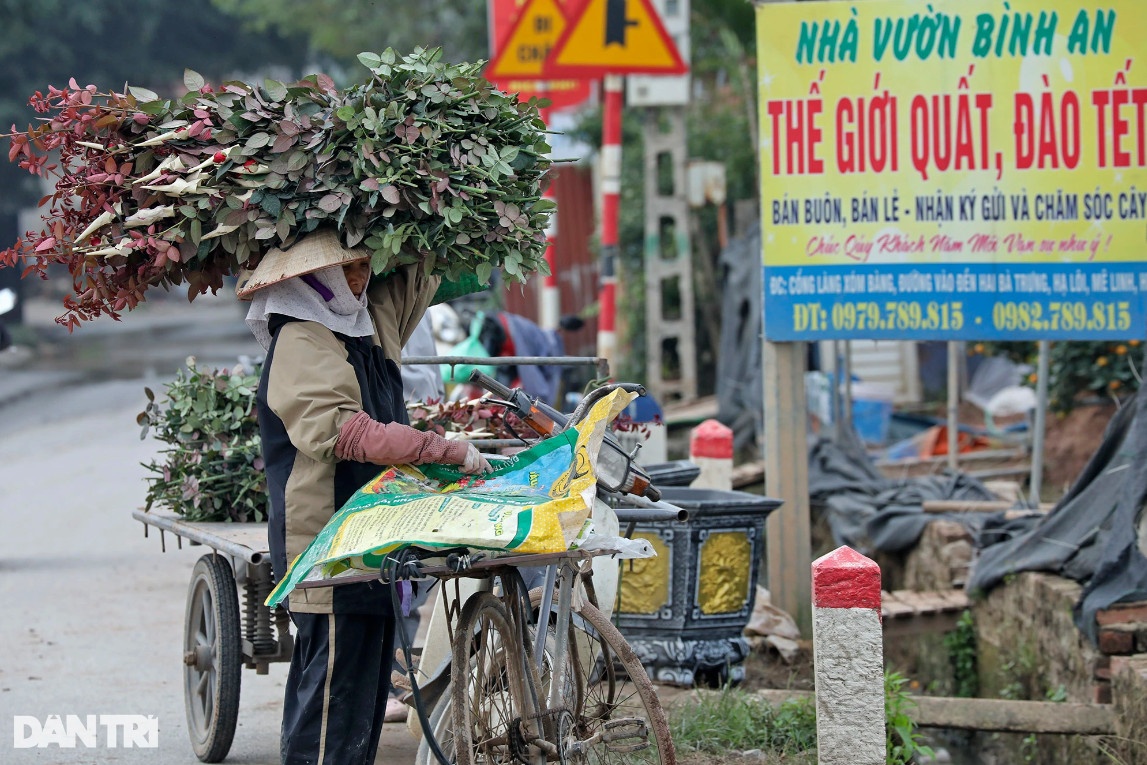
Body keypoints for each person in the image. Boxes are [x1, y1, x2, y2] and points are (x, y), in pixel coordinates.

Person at [238, 228, 491, 765]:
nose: (358, 277)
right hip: (328, 543)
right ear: (310, 280)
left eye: (362, 265)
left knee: (365, 700)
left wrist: (437, 213)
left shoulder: (366, 327)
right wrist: (440, 449)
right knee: (334, 699)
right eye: (343, 269)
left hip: (372, 536)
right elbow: (347, 434)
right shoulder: (302, 339)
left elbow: (415, 277)